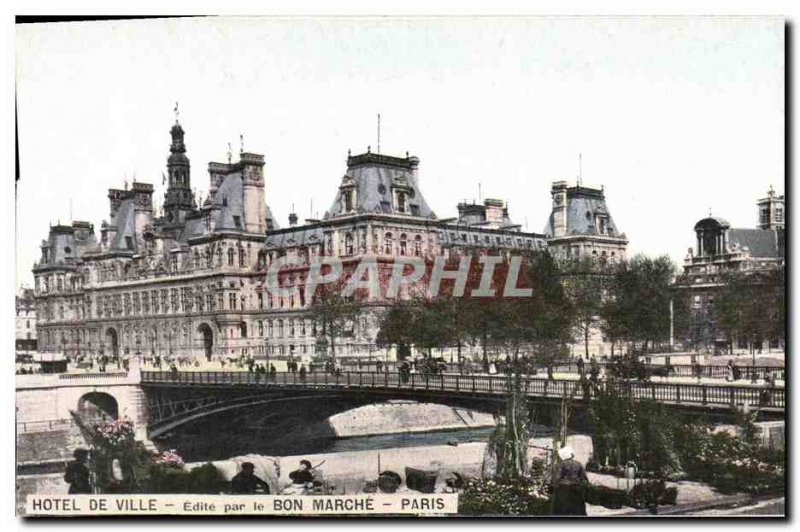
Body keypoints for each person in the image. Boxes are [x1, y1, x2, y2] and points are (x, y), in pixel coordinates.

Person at [552, 445, 588, 516]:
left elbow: (556, 478)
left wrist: (554, 486)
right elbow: (584, 478)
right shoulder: (578, 464)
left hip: (564, 491)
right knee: (579, 511)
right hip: (576, 490)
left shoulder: (561, 465)